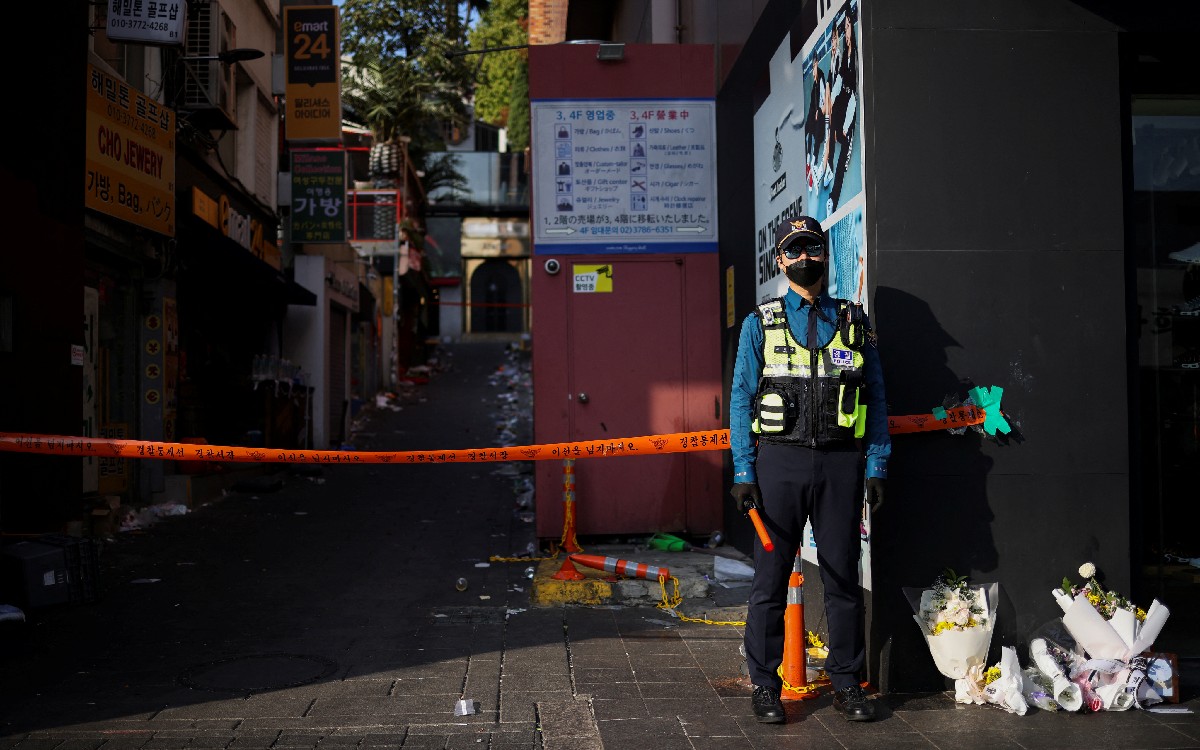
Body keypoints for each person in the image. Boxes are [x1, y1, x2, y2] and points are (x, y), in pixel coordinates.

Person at [729, 215, 890, 723]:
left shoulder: (854, 320)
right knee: (770, 581)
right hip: (779, 464)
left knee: (843, 576)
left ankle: (847, 683)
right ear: (781, 260)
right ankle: (764, 687)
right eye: (795, 250)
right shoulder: (762, 323)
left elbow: (877, 397)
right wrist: (742, 471)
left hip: (842, 464)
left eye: (813, 249)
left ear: (825, 254)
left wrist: (877, 463)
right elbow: (740, 399)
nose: (805, 258)